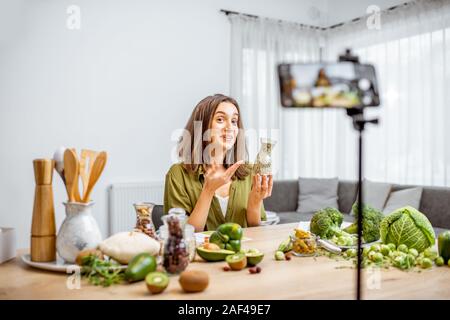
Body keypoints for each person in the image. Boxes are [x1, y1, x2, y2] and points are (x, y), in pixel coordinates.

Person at [163, 94, 273, 232]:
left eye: (234, 121)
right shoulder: (178, 174)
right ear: (201, 127)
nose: (230, 127)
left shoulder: (249, 172)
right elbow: (180, 235)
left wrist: (254, 203)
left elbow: (255, 230)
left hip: (241, 253)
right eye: (220, 119)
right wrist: (208, 191)